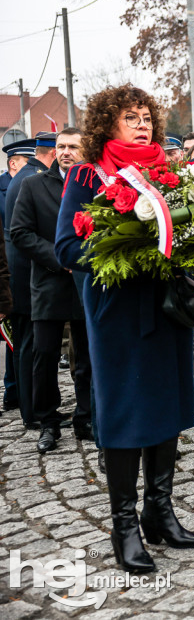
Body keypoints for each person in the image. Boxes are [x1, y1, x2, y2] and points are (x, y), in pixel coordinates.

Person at [55, 85, 194, 573]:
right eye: (130, 117)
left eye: (146, 116)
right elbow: (65, 249)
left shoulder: (169, 172)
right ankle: (125, 527)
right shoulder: (87, 174)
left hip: (167, 308)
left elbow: (191, 232)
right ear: (106, 124)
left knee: (167, 405)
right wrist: (128, 251)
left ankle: (159, 511)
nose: (142, 123)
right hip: (117, 312)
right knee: (124, 412)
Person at [11, 127, 92, 453]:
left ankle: (85, 416)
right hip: (47, 284)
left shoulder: (92, 185)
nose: (66, 151)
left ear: (85, 150)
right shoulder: (33, 185)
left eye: (73, 146)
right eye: (61, 146)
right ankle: (47, 421)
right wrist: (61, 258)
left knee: (86, 357)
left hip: (85, 283)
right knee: (44, 355)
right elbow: (20, 233)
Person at [6, 132, 53, 428]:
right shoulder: (32, 178)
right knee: (27, 346)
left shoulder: (23, 175)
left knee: (26, 345)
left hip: (21, 272)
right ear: (50, 152)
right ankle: (32, 411)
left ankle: (30, 408)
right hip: (26, 274)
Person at [1, 139, 33, 414]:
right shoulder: (7, 187)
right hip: (8, 272)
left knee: (17, 340)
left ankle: (14, 393)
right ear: (14, 163)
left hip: (17, 275)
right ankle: (13, 392)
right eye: (28, 163)